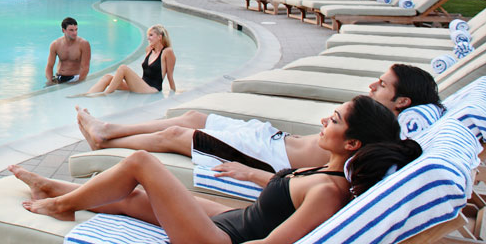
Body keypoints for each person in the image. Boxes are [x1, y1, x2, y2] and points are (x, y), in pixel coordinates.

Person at [14, 95, 421, 244]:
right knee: (138, 198)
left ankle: (61, 205)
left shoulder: (329, 192)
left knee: (142, 162)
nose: (323, 121)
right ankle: (54, 188)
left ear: (352, 142)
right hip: (236, 220)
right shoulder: (330, 172)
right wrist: (253, 174)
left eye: (333, 121)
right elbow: (281, 196)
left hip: (220, 241)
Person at [76, 63, 440, 187]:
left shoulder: (380, 137)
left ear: (403, 102)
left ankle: (105, 140)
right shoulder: (377, 120)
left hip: (266, 156)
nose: (373, 85)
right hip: (271, 137)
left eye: (383, 85)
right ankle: (107, 129)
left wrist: (254, 175)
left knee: (176, 135)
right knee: (189, 117)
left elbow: (328, 175)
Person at [80, 24, 176, 96]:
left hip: (152, 89)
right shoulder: (149, 50)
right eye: (148, 35)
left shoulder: (167, 52)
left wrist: (174, 94)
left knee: (123, 68)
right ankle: (86, 96)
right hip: (141, 85)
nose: (148, 38)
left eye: (151, 35)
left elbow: (170, 76)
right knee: (107, 77)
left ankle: (105, 94)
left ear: (159, 37)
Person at [45, 17, 91, 85]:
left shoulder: (83, 44)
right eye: (71, 30)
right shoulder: (55, 44)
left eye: (76, 30)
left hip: (75, 77)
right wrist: (50, 80)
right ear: (64, 30)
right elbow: (49, 66)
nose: (75, 33)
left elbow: (85, 67)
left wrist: (78, 82)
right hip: (59, 77)